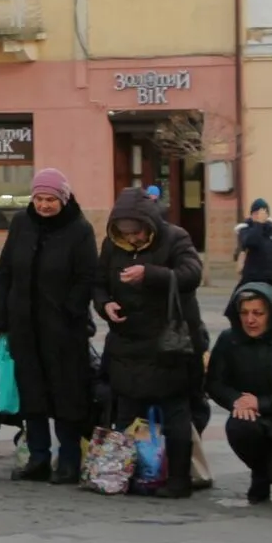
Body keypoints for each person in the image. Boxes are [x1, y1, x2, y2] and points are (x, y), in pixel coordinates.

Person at [0, 167, 98, 485]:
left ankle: (68, 460)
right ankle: (37, 458)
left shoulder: (80, 229)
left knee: (66, 396)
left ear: (62, 199)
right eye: (39, 198)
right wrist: (2, 313)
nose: (44, 205)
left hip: (64, 330)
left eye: (50, 199)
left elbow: (87, 277)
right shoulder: (22, 224)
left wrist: (71, 312)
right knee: (32, 395)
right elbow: (5, 270)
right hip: (24, 327)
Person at [95, 187, 204, 499]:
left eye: (137, 232)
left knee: (175, 413)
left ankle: (178, 480)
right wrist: (105, 305)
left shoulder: (176, 237)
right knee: (128, 413)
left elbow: (192, 273)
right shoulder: (111, 246)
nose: (132, 239)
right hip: (128, 342)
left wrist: (150, 273)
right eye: (125, 233)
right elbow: (99, 283)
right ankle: (126, 474)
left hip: (168, 343)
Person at [207, 281, 272, 504]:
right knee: (240, 426)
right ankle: (260, 473)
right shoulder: (229, 340)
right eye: (244, 313)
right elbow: (215, 382)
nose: (250, 320)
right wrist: (238, 401)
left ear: (271, 314)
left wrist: (260, 403)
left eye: (258, 313)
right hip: (249, 415)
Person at [235, 199, 272, 310]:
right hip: (256, 282)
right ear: (252, 214)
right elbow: (250, 242)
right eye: (256, 213)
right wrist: (258, 225)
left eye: (263, 213)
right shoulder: (246, 229)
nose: (260, 216)